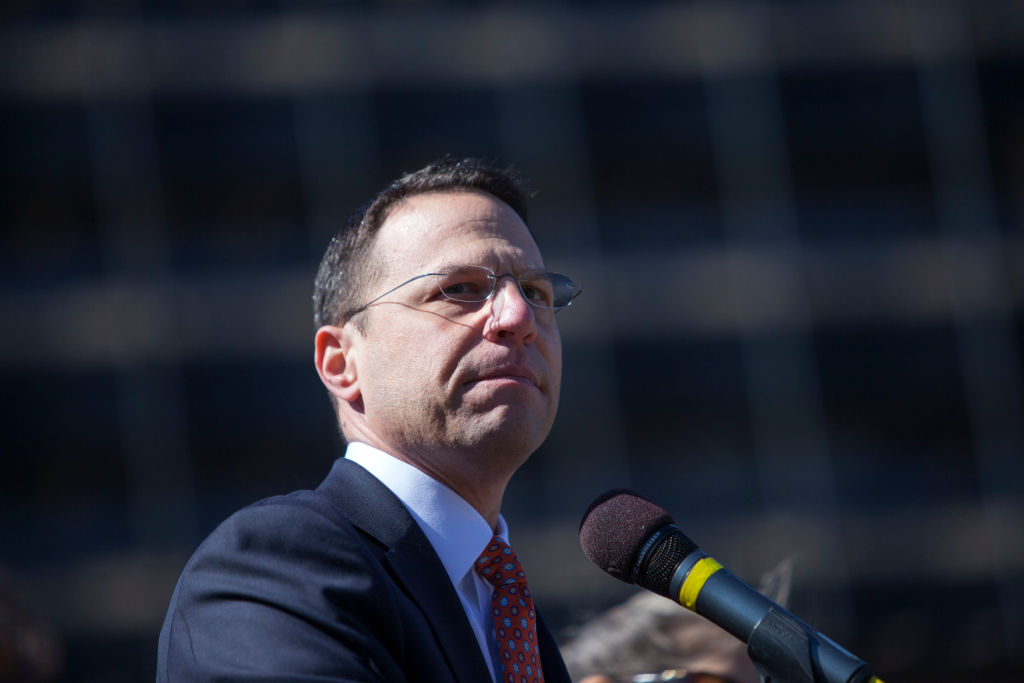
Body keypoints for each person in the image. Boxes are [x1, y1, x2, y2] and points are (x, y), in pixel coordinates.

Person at [156, 157, 581, 682]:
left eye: (536, 293)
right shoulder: (276, 563)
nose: (518, 318)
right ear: (341, 363)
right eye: (461, 289)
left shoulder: (513, 617)